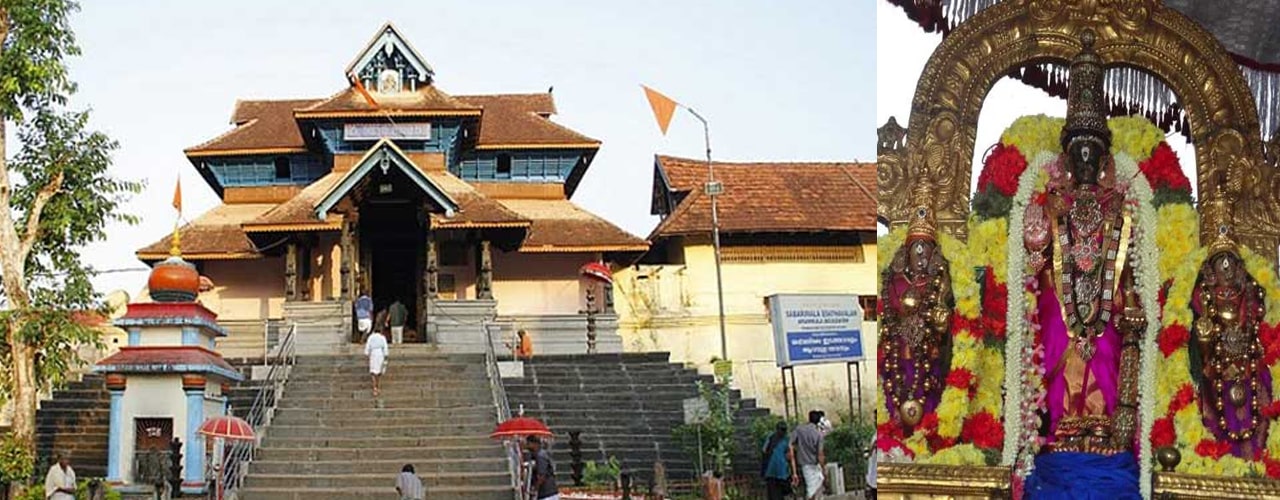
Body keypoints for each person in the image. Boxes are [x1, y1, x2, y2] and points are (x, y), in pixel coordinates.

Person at [790, 410, 826, 500]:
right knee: (815, 489)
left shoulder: (799, 429)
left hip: (805, 464)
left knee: (811, 489)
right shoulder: (818, 434)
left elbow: (790, 443)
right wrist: (823, 468)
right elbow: (820, 454)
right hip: (815, 464)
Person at [762, 421, 792, 500]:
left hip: (771, 470)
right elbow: (789, 456)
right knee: (782, 493)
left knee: (773, 494)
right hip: (782, 471)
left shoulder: (770, 437)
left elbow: (764, 450)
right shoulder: (786, 439)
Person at [527, 435, 559, 500]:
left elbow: (541, 476)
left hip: (547, 493)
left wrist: (535, 489)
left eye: (528, 444)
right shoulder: (538, 455)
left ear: (535, 444)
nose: (527, 446)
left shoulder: (540, 456)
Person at [365, 325, 389, 396]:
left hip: (373, 354)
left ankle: (374, 387)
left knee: (373, 371)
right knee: (378, 371)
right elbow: (385, 347)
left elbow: (368, 346)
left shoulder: (371, 337)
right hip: (380, 354)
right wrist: (386, 355)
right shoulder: (382, 337)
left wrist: (367, 353)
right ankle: (377, 386)